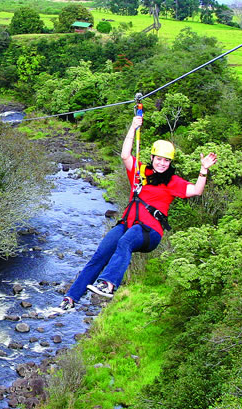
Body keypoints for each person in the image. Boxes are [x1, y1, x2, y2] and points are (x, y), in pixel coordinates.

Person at [61, 112, 217, 310]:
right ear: (152, 158)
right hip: (127, 225)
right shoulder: (140, 173)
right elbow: (125, 155)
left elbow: (196, 190)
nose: (162, 163)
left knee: (126, 240)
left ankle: (108, 284)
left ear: (170, 163)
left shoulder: (172, 181)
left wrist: (203, 170)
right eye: (159, 159)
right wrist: (133, 127)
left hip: (150, 233)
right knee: (100, 254)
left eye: (166, 161)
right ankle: (71, 297)